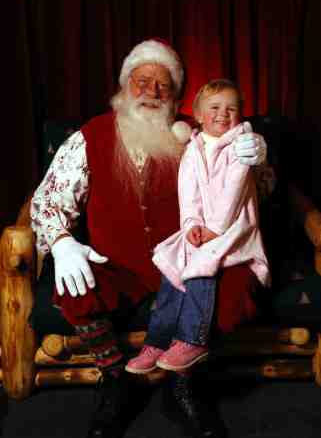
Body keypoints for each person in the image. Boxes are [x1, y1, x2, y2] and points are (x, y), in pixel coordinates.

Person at [30, 40, 268, 438]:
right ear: (125, 87)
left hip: (186, 267)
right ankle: (114, 377)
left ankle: (185, 381)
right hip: (118, 268)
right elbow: (48, 199)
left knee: (240, 287)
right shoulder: (91, 136)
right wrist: (61, 243)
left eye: (164, 85)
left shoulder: (201, 135)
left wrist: (258, 159)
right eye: (143, 82)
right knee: (72, 288)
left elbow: (258, 189)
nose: (152, 93)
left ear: (177, 97)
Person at [125, 79, 271, 378]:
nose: (223, 114)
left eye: (231, 108)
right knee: (172, 261)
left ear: (241, 115)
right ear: (199, 115)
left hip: (234, 227)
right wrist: (191, 224)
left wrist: (214, 231)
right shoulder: (193, 148)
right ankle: (157, 341)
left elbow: (233, 192)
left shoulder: (241, 145)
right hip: (203, 227)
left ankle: (193, 339)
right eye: (214, 108)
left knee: (202, 262)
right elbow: (187, 193)